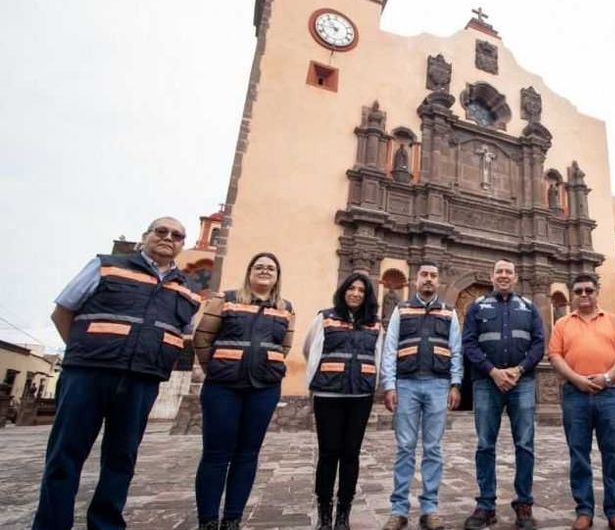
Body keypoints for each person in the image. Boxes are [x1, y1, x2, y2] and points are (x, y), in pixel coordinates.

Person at [34, 217, 201, 530]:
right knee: (65, 454)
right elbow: (63, 311)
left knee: (122, 458)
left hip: (142, 378)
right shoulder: (106, 266)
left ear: (181, 244)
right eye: (161, 231)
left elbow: (182, 332)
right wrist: (84, 350)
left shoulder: (187, 291)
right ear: (145, 236)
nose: (168, 238)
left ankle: (106, 524)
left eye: (177, 235)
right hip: (88, 374)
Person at [192, 252, 295, 530]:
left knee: (248, 454)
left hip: (263, 388)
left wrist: (265, 364)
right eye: (259, 267)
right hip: (223, 387)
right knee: (216, 454)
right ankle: (208, 520)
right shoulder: (225, 299)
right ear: (249, 271)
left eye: (270, 268)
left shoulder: (285, 307)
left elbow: (285, 346)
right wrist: (215, 366)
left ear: (277, 276)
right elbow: (202, 337)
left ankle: (233, 518)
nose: (264, 271)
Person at [462, 259, 545, 530]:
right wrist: (493, 371)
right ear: (492, 276)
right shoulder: (477, 306)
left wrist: (519, 370)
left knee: (525, 444)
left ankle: (524, 504)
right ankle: (486, 505)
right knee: (485, 445)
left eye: (508, 271)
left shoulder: (530, 307)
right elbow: (469, 344)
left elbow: (538, 344)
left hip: (522, 383)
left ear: (516, 276)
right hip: (487, 383)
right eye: (499, 272)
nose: (504, 275)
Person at [380, 262, 463, 530]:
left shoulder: (449, 312)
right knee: (405, 447)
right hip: (406, 385)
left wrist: (455, 384)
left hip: (438, 386)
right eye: (424, 275)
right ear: (416, 280)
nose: (428, 280)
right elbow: (390, 347)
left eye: (433, 276)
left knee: (433, 449)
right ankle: (398, 509)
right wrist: (389, 385)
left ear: (439, 281)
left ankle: (430, 508)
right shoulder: (401, 310)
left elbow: (456, 351)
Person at [548, 274, 615, 530]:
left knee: (614, 454)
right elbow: (555, 355)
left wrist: (607, 377)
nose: (584, 295)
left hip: (610, 395)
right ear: (572, 294)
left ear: (597, 292)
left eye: (589, 290)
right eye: (579, 291)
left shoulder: (614, 321)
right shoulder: (562, 324)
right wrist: (577, 379)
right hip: (575, 395)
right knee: (579, 454)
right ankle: (584, 510)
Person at [303, 272, 383, 530]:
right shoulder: (324, 318)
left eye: (361, 290)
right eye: (352, 288)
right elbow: (309, 348)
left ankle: (343, 516)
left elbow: (378, 356)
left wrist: (371, 384)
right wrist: (321, 378)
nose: (356, 293)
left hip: (360, 396)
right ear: (343, 291)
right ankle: (325, 514)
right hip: (328, 395)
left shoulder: (375, 324)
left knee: (351, 454)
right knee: (328, 454)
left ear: (367, 295)